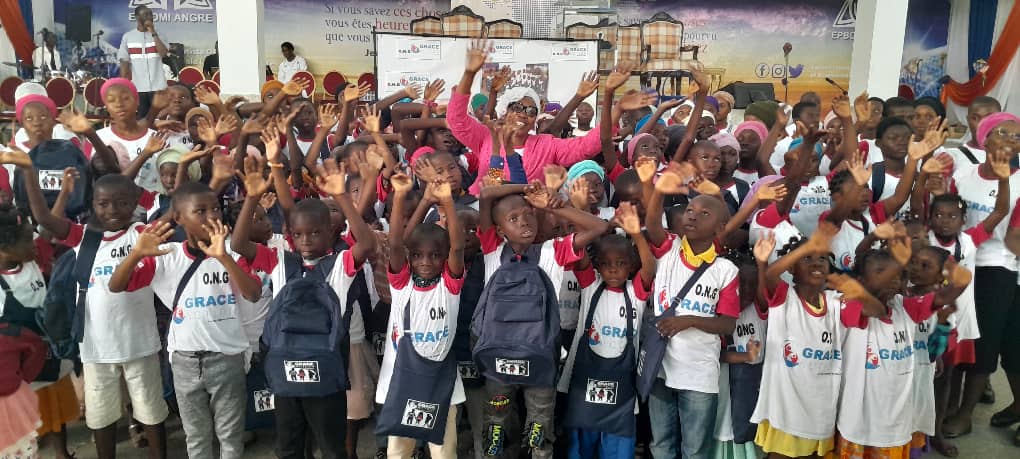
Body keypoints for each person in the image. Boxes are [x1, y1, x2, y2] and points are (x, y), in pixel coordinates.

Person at [108, 183, 262, 459]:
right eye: (200, 211)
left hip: (228, 356)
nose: (212, 216)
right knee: (197, 435)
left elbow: (253, 293)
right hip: (185, 360)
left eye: (216, 208)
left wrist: (224, 258)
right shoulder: (167, 256)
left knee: (230, 434)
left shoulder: (234, 251)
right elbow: (117, 285)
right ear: (178, 218)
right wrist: (136, 253)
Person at [118, 5, 169, 118]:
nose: (149, 17)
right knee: (142, 119)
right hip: (139, 88)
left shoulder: (159, 35)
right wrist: (123, 85)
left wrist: (153, 32)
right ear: (137, 17)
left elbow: (163, 54)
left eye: (150, 14)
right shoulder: (128, 37)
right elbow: (124, 61)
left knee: (160, 119)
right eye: (145, 14)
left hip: (159, 87)